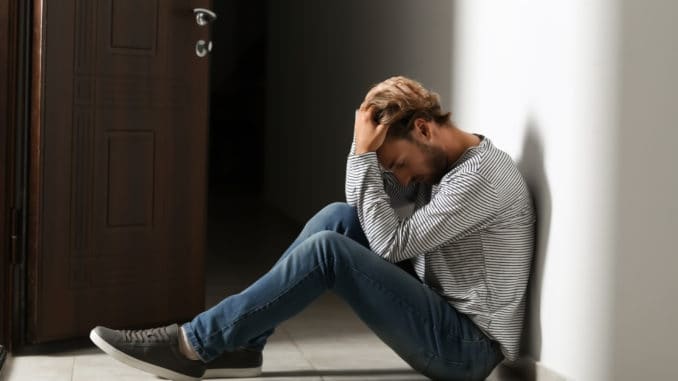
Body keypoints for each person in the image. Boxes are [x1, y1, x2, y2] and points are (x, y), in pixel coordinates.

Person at [90, 76, 535, 381]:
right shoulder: (439, 163)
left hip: (466, 349)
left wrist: (363, 156)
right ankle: (242, 346)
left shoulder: (481, 177)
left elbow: (390, 242)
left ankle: (192, 343)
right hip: (441, 315)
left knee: (329, 250)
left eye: (397, 163)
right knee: (336, 219)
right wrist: (362, 148)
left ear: (423, 128)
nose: (398, 180)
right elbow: (361, 203)